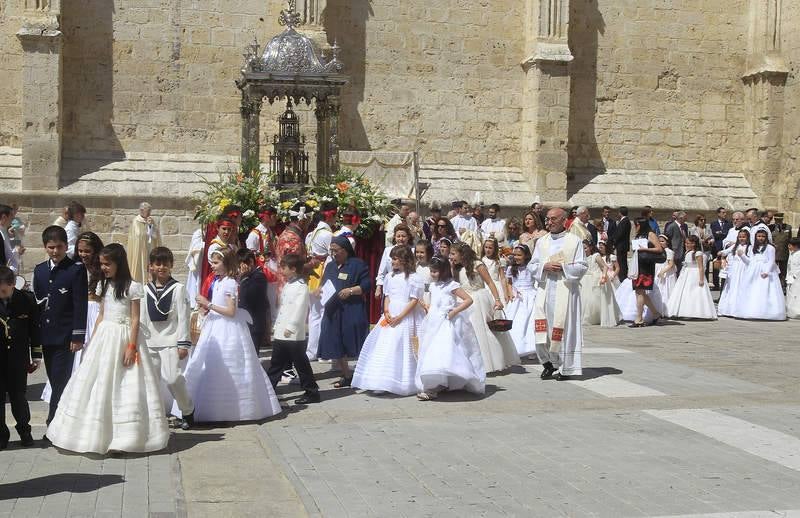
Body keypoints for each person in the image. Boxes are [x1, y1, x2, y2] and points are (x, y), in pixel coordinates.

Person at [47, 244, 169, 453]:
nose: (103, 268)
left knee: (125, 384)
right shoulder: (104, 284)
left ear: (118, 264)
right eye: (101, 264)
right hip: (104, 337)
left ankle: (125, 438)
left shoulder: (132, 287)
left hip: (124, 337)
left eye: (107, 264)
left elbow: (135, 319)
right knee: (96, 383)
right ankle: (92, 434)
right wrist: (92, 340)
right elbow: (102, 315)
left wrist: (131, 346)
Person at [185, 248, 282, 422]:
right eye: (212, 262)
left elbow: (231, 311)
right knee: (209, 363)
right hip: (214, 326)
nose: (212, 266)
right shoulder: (218, 281)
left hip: (227, 327)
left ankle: (232, 409)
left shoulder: (230, 283)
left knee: (229, 364)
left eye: (216, 263)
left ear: (226, 264)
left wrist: (208, 304)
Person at [31, 226, 88, 431]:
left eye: (59, 247)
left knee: (61, 380)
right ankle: (64, 419)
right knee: (55, 381)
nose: (55, 251)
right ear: (45, 247)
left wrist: (78, 335)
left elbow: (80, 304)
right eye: (51, 247)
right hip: (46, 336)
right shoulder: (39, 270)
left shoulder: (76, 269)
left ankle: (53, 423)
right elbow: (36, 303)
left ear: (66, 246)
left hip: (66, 336)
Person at [42, 232, 104, 403]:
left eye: (88, 251)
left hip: (95, 314)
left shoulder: (101, 269)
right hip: (77, 314)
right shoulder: (72, 267)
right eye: (81, 250)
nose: (83, 254)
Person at [353, 246, 423, 396]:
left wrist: (401, 316)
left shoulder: (414, 278)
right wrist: (386, 311)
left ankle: (397, 381)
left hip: (405, 315)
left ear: (405, 260)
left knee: (399, 344)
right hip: (390, 313)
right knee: (383, 344)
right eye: (392, 258)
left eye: (396, 259)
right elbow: (388, 296)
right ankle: (378, 380)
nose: (393, 261)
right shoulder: (390, 276)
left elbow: (414, 300)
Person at [529, 208, 587, 380]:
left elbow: (583, 266)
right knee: (543, 328)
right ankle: (548, 363)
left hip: (565, 291)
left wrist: (563, 267)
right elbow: (532, 265)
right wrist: (544, 267)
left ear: (564, 221)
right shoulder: (542, 242)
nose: (549, 222)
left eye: (553, 219)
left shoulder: (574, 241)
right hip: (545, 290)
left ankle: (564, 367)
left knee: (563, 328)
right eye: (547, 219)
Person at [140, 246, 195, 429]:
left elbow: (183, 317)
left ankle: (187, 410)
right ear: (151, 266)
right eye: (158, 263)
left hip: (171, 341)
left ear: (171, 265)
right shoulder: (145, 290)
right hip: (149, 342)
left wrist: (183, 343)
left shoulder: (178, 289)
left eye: (165, 263)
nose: (161, 267)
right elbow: (141, 318)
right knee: (151, 382)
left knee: (173, 378)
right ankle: (155, 417)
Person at [415, 257, 484, 400]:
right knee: (431, 351)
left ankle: (434, 387)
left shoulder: (451, 285)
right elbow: (434, 303)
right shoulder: (433, 286)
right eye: (431, 271)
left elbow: (468, 300)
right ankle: (438, 383)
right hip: (433, 322)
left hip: (447, 322)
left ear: (444, 271)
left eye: (435, 271)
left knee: (444, 351)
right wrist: (427, 307)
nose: (432, 274)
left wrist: (454, 311)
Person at [450, 242, 519, 373]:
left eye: (453, 254)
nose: (451, 256)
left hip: (479, 299)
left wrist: (497, 300)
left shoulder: (477, 265)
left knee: (480, 329)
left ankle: (487, 362)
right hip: (464, 300)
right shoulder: (457, 268)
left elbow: (490, 282)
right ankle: (470, 361)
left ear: (461, 254)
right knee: (466, 331)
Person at [318, 236, 371, 388]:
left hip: (351, 309)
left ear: (345, 250)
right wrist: (319, 290)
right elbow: (325, 283)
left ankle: (364, 374)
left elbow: (367, 284)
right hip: (333, 309)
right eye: (331, 251)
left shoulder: (357, 264)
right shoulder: (330, 266)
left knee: (355, 340)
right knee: (336, 341)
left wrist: (351, 290)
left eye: (336, 250)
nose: (333, 254)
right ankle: (346, 374)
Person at [267, 254, 320, 405]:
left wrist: (290, 327)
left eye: (284, 268)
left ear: (293, 269)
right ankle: (269, 389)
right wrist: (277, 325)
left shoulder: (301, 287)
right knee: (276, 363)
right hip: (282, 332)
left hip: (293, 334)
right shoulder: (289, 284)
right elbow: (283, 309)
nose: (281, 270)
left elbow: (299, 310)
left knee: (300, 363)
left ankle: (311, 391)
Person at [0, 266, 41, 449]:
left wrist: (36, 355)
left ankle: (25, 431)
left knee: (18, 397)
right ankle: (2, 435)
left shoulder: (26, 300)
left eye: (3, 290)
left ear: (12, 285)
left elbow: (35, 329)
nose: (1, 294)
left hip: (18, 358)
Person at [305, 203, 337, 361]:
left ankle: (312, 350)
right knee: (322, 313)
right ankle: (320, 351)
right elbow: (332, 257)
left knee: (314, 313)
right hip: (322, 273)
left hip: (312, 274)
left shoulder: (311, 234)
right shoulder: (327, 234)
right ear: (330, 216)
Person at [736, 229, 786, 320]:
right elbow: (749, 262)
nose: (761, 238)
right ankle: (752, 310)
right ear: (755, 237)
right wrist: (742, 256)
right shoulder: (752, 248)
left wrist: (767, 271)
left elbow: (771, 261)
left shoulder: (770, 248)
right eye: (759, 236)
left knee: (766, 290)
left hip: (765, 270)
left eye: (763, 236)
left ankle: (768, 311)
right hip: (754, 271)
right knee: (753, 289)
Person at [665, 236, 717, 320]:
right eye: (685, 243)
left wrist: (701, 279)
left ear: (694, 244)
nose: (686, 245)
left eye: (688, 243)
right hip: (686, 274)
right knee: (685, 292)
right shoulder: (687, 252)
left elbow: (700, 267)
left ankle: (696, 312)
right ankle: (683, 310)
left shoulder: (698, 253)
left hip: (694, 274)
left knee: (694, 292)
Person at [626, 219, 665, 327]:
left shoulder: (650, 234)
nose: (635, 227)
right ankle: (656, 314)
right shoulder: (639, 235)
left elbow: (659, 249)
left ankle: (639, 319)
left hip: (646, 265)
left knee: (639, 291)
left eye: (636, 225)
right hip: (638, 264)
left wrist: (645, 249)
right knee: (640, 292)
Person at [504, 244, 538, 358]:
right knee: (517, 321)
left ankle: (530, 348)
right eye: (515, 255)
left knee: (529, 322)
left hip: (529, 296)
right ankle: (515, 347)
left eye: (519, 255)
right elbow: (509, 282)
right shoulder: (511, 268)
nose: (517, 257)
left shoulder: (530, 268)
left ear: (526, 256)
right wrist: (510, 293)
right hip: (517, 296)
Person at [237, 249, 269, 354]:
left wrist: (242, 278)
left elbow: (246, 296)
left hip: (255, 324)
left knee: (252, 355)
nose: (240, 269)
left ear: (250, 262)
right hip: (245, 323)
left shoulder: (259, 277)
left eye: (241, 265)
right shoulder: (247, 277)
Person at [717, 229, 751, 318]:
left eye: (743, 237)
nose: (741, 239)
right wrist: (721, 252)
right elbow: (727, 251)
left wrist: (742, 256)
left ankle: (738, 309)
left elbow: (750, 261)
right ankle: (728, 309)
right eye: (740, 237)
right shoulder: (735, 246)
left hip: (743, 270)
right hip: (734, 270)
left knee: (740, 287)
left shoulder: (750, 247)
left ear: (747, 238)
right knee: (731, 287)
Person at [375, 224, 413, 301]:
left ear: (408, 237)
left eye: (403, 236)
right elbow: (382, 272)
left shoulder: (413, 251)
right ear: (395, 237)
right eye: (398, 236)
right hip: (391, 286)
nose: (401, 239)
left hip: (407, 286)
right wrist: (378, 287)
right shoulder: (388, 250)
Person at [127, 202, 162, 283]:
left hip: (149, 249)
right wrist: (146, 232)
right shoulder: (136, 221)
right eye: (148, 211)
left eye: (150, 210)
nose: (150, 212)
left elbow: (155, 235)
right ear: (141, 210)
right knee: (140, 267)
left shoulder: (151, 220)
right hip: (139, 251)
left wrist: (150, 226)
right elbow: (138, 235)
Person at [653, 235, 677, 317]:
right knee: (658, 289)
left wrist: (662, 272)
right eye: (659, 241)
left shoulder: (668, 251)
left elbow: (671, 264)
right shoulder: (658, 251)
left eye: (662, 241)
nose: (660, 243)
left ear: (667, 242)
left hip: (666, 272)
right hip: (658, 270)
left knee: (665, 290)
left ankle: (665, 309)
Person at [481, 237, 509, 304]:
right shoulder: (481, 261)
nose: (487, 250)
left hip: (496, 287)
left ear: (494, 249)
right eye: (486, 247)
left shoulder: (498, 261)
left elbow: (502, 278)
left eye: (490, 248)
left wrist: (505, 293)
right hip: (484, 286)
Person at [185, 226, 204, 308]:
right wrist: (205, 244)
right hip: (198, 262)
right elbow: (195, 247)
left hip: (205, 260)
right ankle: (194, 301)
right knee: (196, 281)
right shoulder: (198, 233)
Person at [415, 239, 434, 307]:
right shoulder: (414, 267)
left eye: (422, 252)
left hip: (429, 297)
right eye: (417, 252)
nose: (419, 255)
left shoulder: (433, 267)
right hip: (416, 298)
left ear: (429, 253)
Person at [614, 207, 631, 281]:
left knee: (622, 262)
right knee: (621, 261)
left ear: (620, 213)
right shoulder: (624, 221)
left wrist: (614, 241)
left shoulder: (625, 221)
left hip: (622, 246)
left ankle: (623, 277)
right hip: (621, 245)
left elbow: (620, 234)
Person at [785, 238, 800, 319]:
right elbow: (789, 266)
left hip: (797, 277)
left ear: (796, 246)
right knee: (790, 293)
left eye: (790, 245)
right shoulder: (791, 253)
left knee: (796, 294)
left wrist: (796, 275)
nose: (788, 247)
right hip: (790, 277)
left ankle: (797, 310)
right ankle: (790, 310)